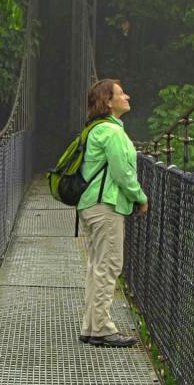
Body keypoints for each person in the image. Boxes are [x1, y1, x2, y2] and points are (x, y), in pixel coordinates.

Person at [74, 78, 148, 348]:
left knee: (97, 266)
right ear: (108, 101)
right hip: (106, 207)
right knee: (108, 266)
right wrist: (140, 196)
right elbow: (122, 172)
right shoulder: (112, 132)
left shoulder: (96, 129)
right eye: (120, 94)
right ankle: (102, 328)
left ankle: (91, 326)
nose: (127, 96)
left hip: (90, 205)